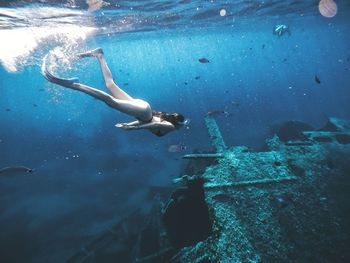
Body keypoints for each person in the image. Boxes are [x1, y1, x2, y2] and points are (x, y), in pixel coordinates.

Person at [41, 48, 186, 137]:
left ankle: (99, 55)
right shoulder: (171, 127)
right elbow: (153, 125)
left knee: (110, 85)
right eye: (182, 124)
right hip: (143, 112)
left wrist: (131, 124)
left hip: (143, 108)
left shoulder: (165, 120)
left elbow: (147, 121)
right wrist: (133, 129)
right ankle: (75, 85)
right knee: (110, 101)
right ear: (176, 123)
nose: (182, 127)